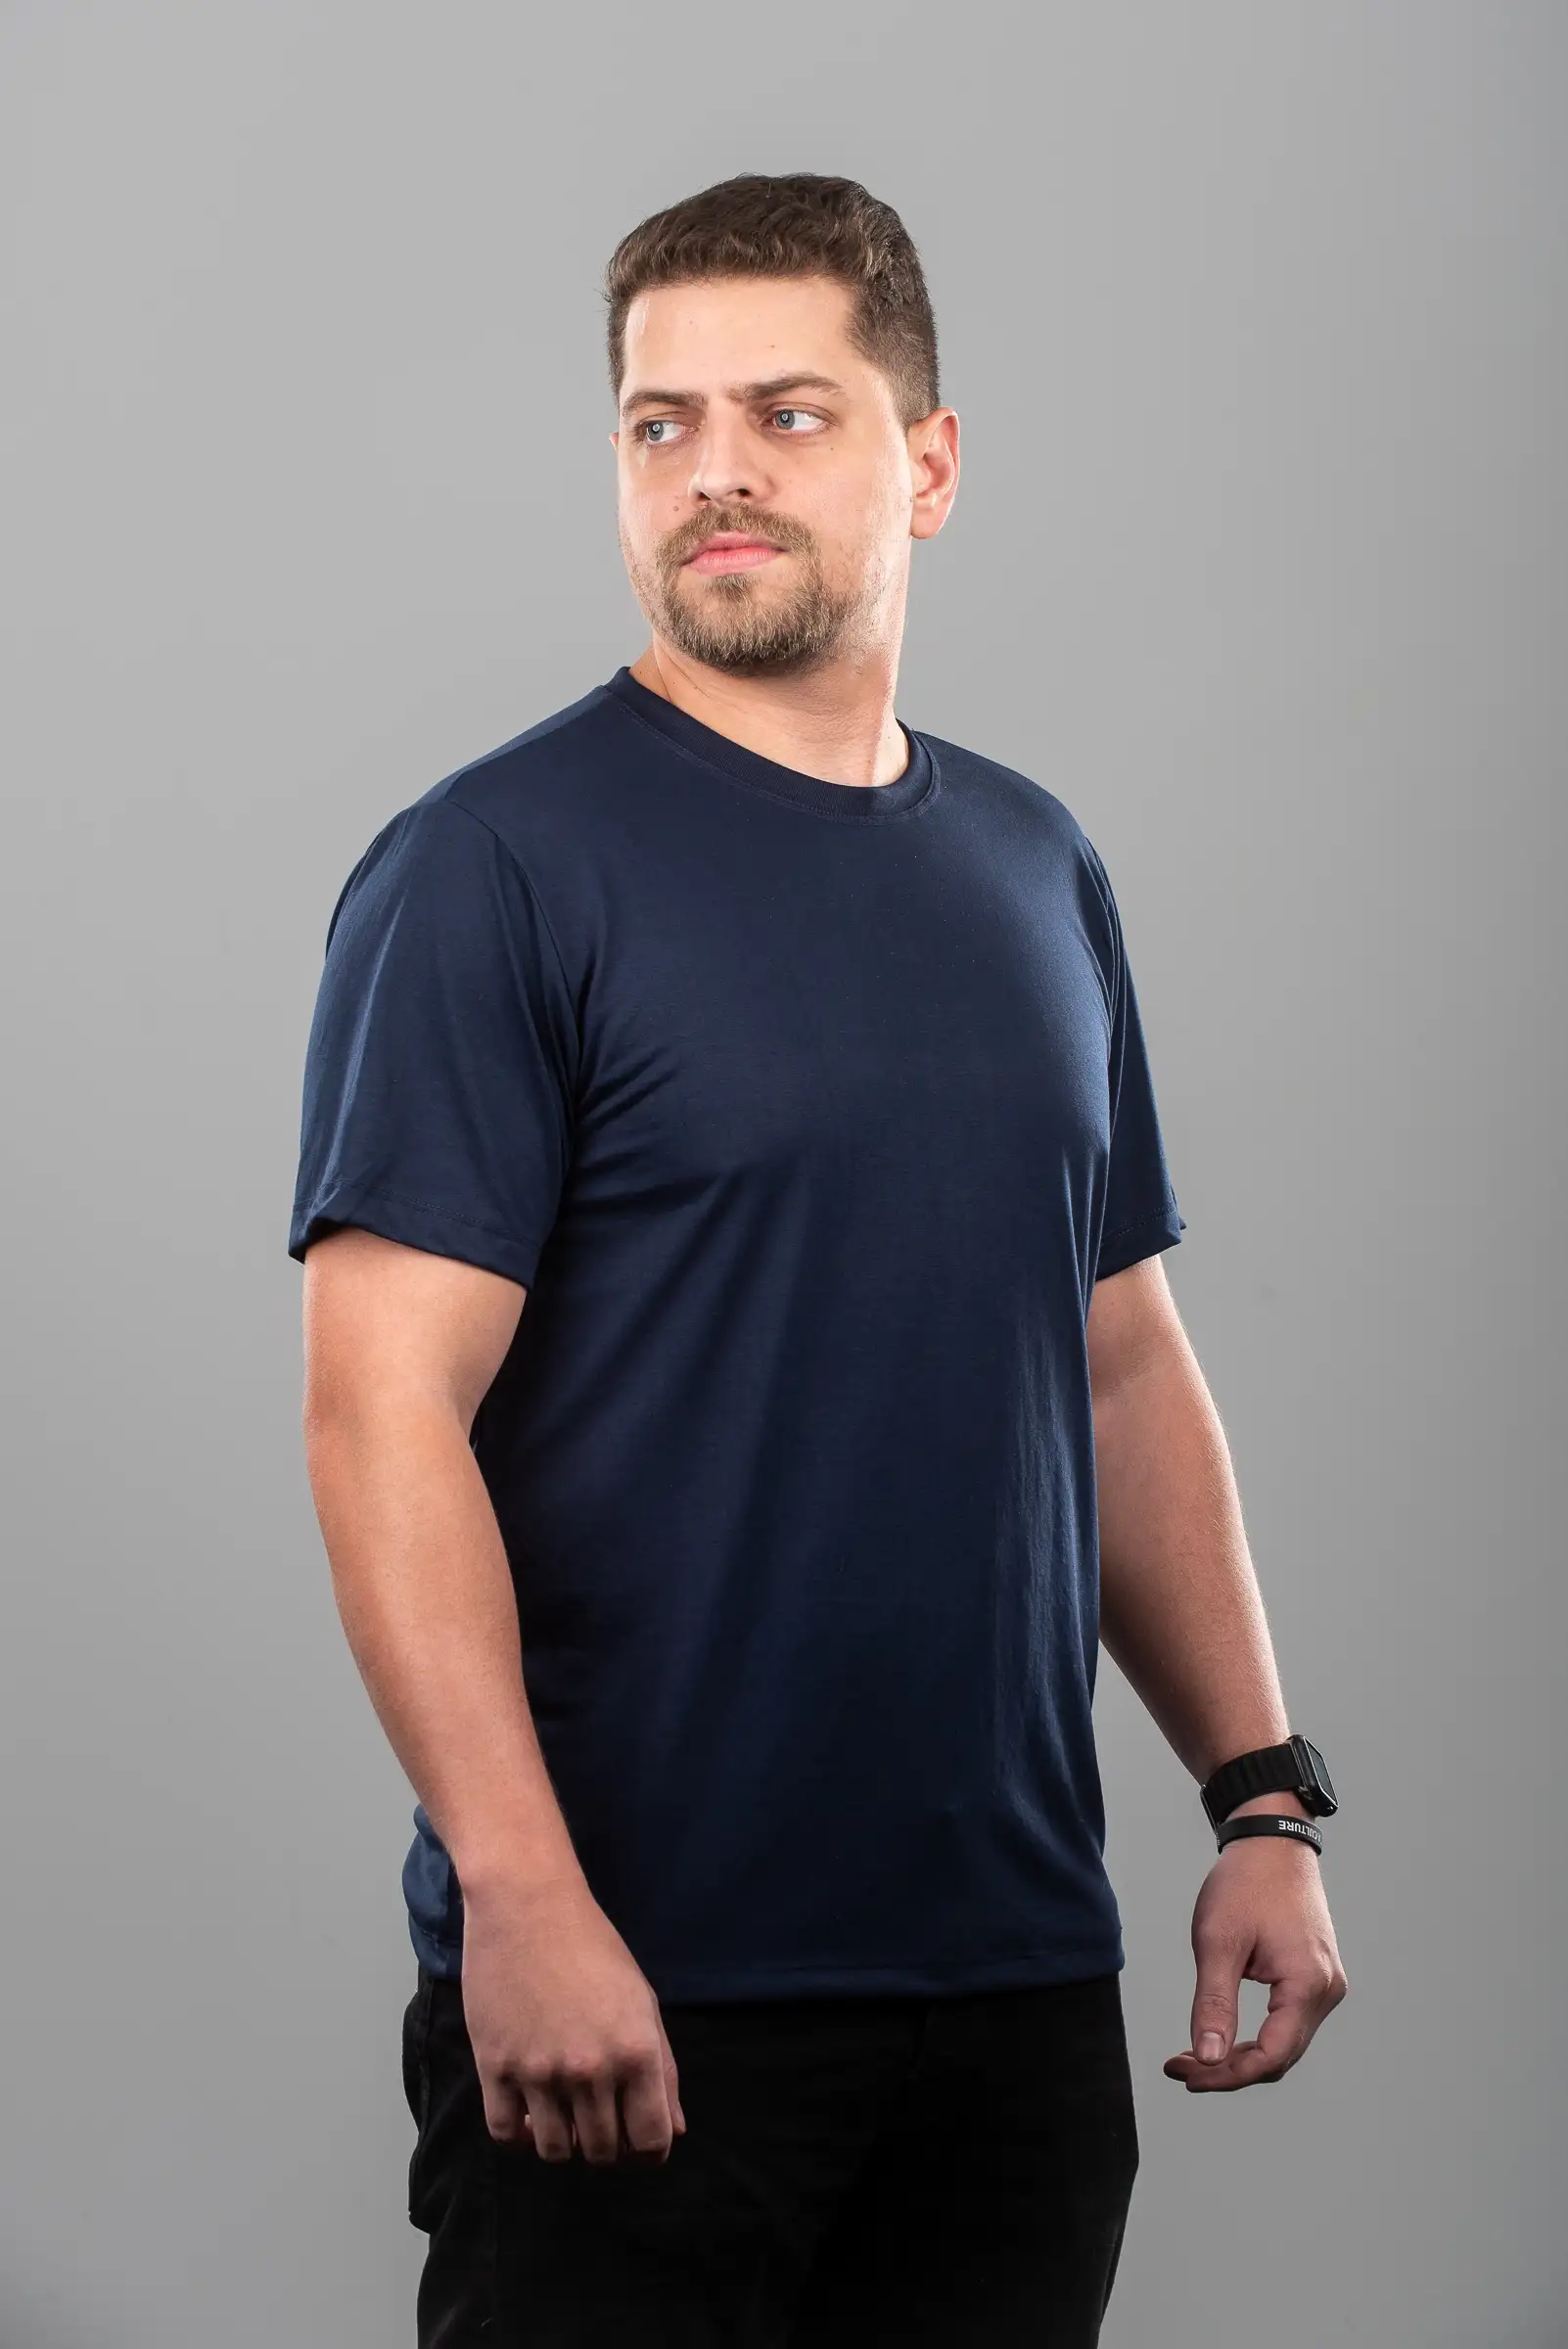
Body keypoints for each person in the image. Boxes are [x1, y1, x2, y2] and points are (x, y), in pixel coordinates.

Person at [289, 171, 1348, 2347]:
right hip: (639, 1995)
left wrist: (1260, 1797)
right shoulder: (490, 870)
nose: (717, 473)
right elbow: (380, 1409)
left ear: (927, 462)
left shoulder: (1038, 866)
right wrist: (520, 1892)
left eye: (787, 413)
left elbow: (1118, 1363)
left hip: (1014, 1992)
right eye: (659, 424)